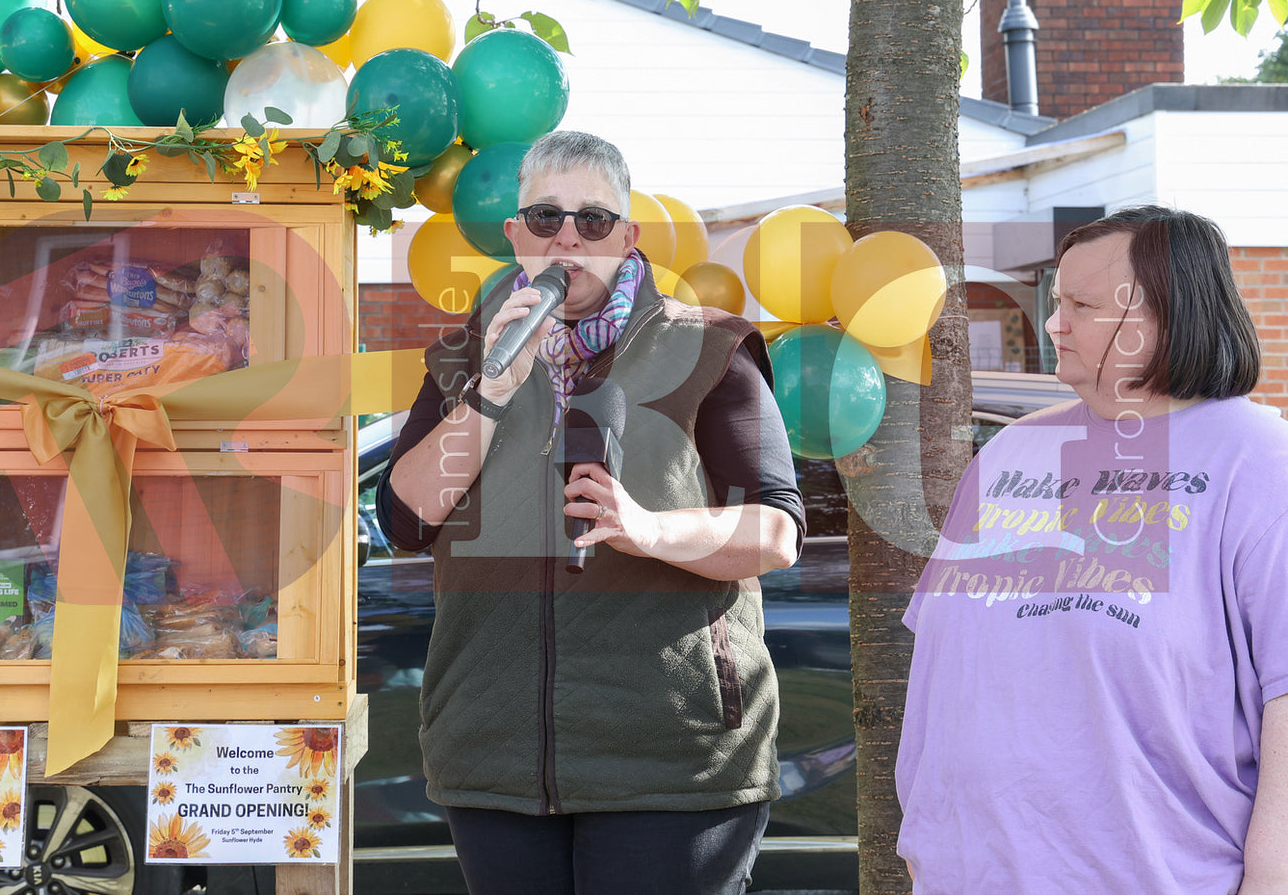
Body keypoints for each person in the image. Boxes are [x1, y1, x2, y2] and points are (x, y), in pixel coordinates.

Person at [375, 130, 804, 895]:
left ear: (627, 237)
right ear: (514, 235)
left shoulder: (708, 348)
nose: (567, 236)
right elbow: (407, 519)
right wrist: (491, 391)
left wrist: (650, 529)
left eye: (593, 221)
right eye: (545, 217)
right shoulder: (463, 359)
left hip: (672, 758)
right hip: (494, 755)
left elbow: (774, 530)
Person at [896, 205, 1288, 893]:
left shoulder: (1255, 460)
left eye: (1081, 304)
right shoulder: (1012, 452)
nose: (1054, 325)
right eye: (1056, 302)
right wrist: (922, 840)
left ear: (1167, 313)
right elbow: (941, 673)